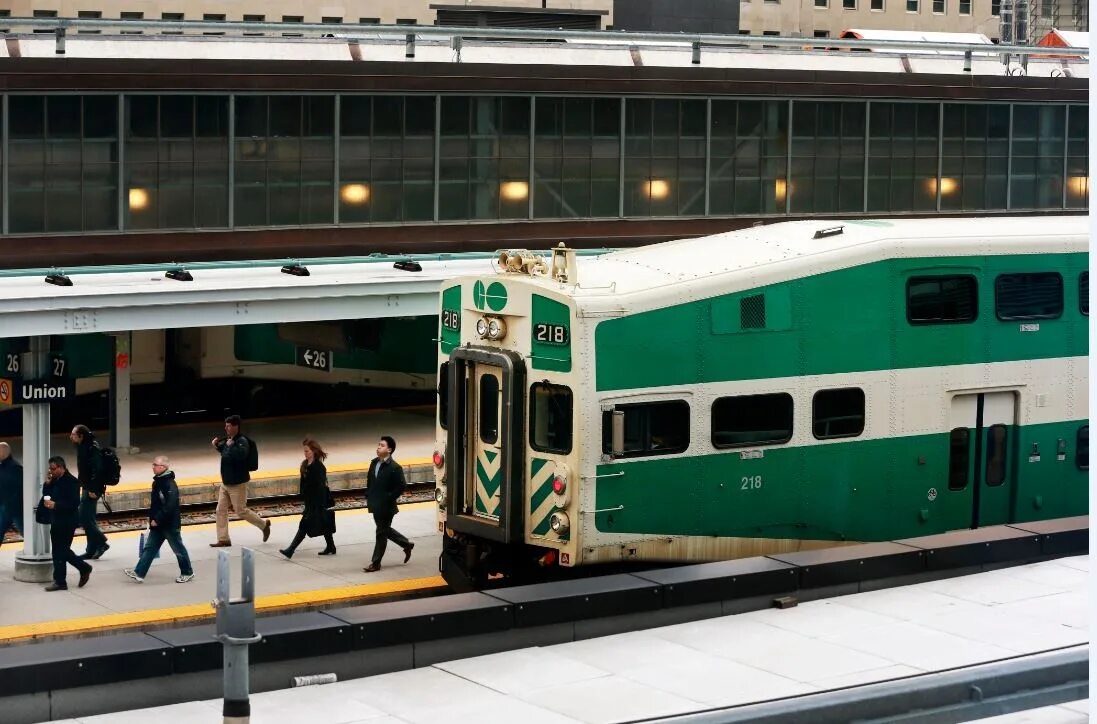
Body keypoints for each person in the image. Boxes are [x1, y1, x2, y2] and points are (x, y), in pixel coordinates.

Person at [124, 456, 194, 584]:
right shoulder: (158, 482)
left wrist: (158, 519)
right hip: (158, 523)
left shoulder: (169, 484)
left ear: (163, 467)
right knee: (150, 548)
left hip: (169, 524)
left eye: (155, 465)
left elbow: (170, 505)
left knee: (178, 549)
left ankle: (187, 572)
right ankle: (139, 572)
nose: (153, 467)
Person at [210, 415, 270, 547]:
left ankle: (264, 525)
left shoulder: (242, 441)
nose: (225, 428)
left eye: (228, 425)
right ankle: (223, 539)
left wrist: (230, 447)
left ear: (236, 427)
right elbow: (226, 454)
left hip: (238, 483)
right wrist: (217, 446)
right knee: (220, 510)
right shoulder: (230, 440)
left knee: (241, 510)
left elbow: (240, 456)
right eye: (225, 425)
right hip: (226, 482)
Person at [279, 438, 336, 559]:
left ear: (314, 451)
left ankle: (291, 550)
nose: (305, 453)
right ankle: (331, 546)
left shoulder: (319, 467)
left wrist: (317, 504)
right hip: (309, 501)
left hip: (317, 502)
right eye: (304, 451)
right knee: (324, 523)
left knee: (304, 525)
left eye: (307, 451)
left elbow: (320, 487)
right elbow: (303, 483)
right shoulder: (305, 465)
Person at [363, 435, 413, 573]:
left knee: (380, 533)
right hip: (375, 505)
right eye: (378, 445)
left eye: (382, 445)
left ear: (389, 450)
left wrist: (389, 497)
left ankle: (375, 563)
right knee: (384, 530)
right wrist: (369, 494)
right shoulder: (374, 463)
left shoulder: (395, 467)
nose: (378, 447)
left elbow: (401, 486)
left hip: (386, 507)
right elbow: (370, 481)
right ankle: (406, 544)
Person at [42, 456, 92, 591]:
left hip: (67, 521)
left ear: (61, 467)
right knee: (58, 551)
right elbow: (46, 494)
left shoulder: (72, 482)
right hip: (56, 520)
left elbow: (74, 503)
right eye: (50, 469)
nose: (51, 471)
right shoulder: (54, 480)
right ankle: (60, 581)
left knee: (61, 550)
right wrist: (47, 484)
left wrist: (56, 505)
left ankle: (83, 568)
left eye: (53, 469)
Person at [70, 424, 109, 560]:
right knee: (89, 519)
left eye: (73, 434)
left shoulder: (92, 448)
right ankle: (91, 550)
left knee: (83, 518)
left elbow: (98, 471)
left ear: (81, 436)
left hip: (92, 489)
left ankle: (102, 543)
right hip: (87, 486)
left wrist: (94, 489)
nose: (71, 437)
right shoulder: (83, 446)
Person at [0, 442, 23, 549]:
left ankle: (38, 551)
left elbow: (18, 489)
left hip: (15, 509)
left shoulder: (15, 468)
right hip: (5, 507)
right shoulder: (3, 466)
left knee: (27, 533)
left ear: (4, 452)